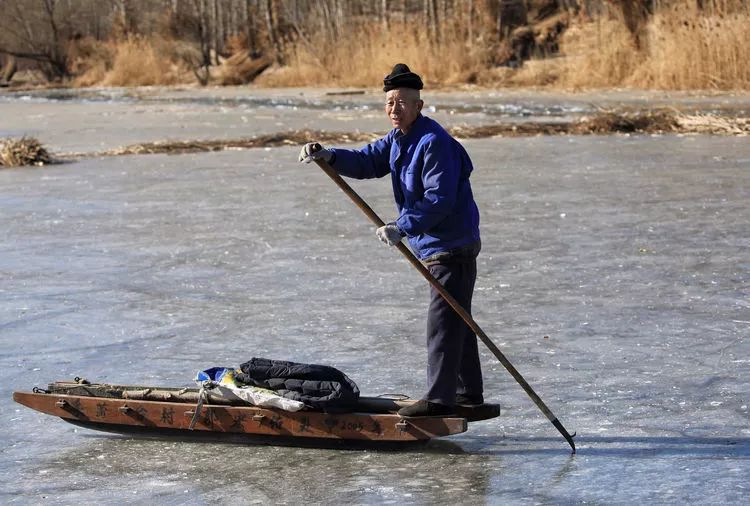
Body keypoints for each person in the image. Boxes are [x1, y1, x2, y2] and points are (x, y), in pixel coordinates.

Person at [298, 63, 483, 417]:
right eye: (389, 103)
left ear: (419, 105)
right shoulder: (398, 140)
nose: (394, 109)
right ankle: (467, 392)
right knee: (457, 318)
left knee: (443, 323)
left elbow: (439, 199)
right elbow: (367, 160)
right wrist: (330, 155)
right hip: (437, 245)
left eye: (401, 102)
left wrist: (403, 225)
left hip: (451, 246)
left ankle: (440, 399)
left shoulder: (433, 143)